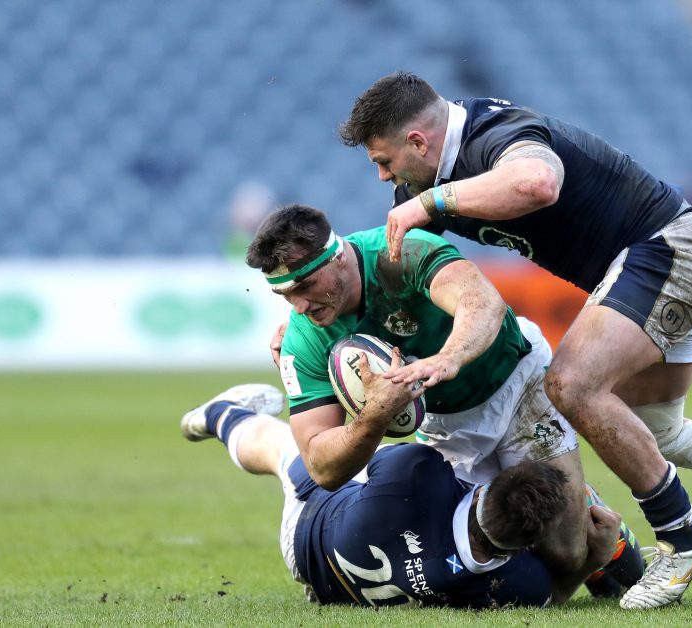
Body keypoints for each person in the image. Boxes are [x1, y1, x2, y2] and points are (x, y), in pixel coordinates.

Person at [335, 71, 692, 609]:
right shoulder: (424, 182)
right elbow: (392, 270)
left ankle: (683, 539)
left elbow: (537, 182)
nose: (384, 179)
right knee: (657, 434)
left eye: (384, 162)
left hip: (666, 248)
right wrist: (324, 313)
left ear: (417, 141)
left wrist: (431, 204)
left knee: (570, 385)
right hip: (662, 259)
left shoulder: (494, 133)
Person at [246, 203, 640, 596]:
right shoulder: (302, 337)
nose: (298, 306)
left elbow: (482, 303)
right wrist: (372, 417)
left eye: (303, 287)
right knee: (501, 535)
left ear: (335, 257)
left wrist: (449, 358)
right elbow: (320, 466)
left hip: (517, 386)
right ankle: (572, 512)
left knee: (567, 552)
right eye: (284, 294)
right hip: (444, 425)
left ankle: (588, 511)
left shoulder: (401, 253)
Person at [179, 383, 626, 607]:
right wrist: (594, 558)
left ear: (487, 487)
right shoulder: (517, 583)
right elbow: (557, 594)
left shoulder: (415, 479)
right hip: (329, 583)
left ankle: (218, 414)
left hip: (310, 530)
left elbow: (367, 441)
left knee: (289, 451)